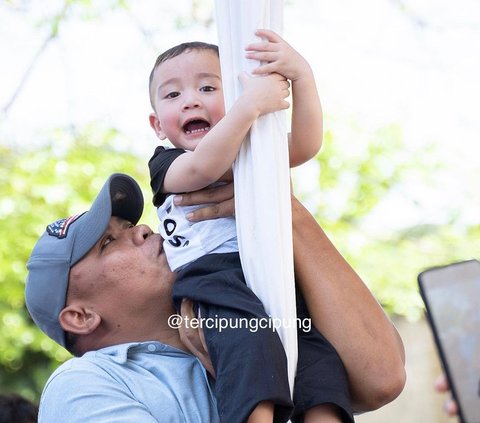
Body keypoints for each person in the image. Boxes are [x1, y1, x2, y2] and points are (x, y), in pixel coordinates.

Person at [24, 173, 406, 422]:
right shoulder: (82, 384)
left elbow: (382, 378)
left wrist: (282, 211)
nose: (140, 230)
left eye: (128, 225)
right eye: (108, 243)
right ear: (80, 317)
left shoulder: (244, 313)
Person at [147, 29, 341, 423]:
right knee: (249, 349)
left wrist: (302, 77)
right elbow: (206, 167)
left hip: (274, 275)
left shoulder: (254, 149)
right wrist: (248, 108)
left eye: (207, 87)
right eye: (173, 95)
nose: (191, 101)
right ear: (157, 125)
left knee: (318, 368)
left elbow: (305, 145)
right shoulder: (166, 164)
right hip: (215, 284)